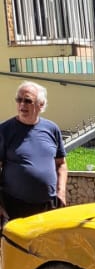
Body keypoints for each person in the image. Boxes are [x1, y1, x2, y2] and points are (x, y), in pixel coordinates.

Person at [0, 82, 67, 222]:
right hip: (14, 207)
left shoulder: (51, 129)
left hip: (49, 206)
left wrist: (61, 192)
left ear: (41, 105)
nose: (22, 104)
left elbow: (61, 164)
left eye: (28, 100)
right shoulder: (4, 131)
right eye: (19, 100)